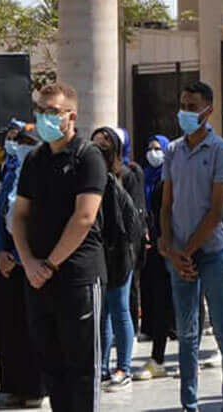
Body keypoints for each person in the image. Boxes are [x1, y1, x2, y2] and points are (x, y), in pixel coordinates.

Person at [12, 82, 107, 412]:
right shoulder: (35, 159)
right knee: (52, 368)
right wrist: (28, 262)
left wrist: (50, 264)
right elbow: (18, 215)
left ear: (72, 116)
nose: (44, 118)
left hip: (77, 277)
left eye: (52, 112)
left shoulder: (88, 157)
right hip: (39, 277)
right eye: (40, 111)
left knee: (82, 369)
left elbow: (84, 217)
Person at [160, 80, 223, 412]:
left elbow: (217, 210)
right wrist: (170, 246)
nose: (186, 112)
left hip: (209, 253)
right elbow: (166, 204)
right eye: (183, 105)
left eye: (193, 106)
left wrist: (188, 251)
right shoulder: (173, 150)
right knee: (187, 333)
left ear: (208, 110)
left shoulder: (220, 150)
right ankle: (188, 404)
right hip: (178, 255)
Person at [0, 121, 46, 408]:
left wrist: (25, 254)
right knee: (10, 325)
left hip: (32, 260)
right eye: (17, 140)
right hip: (8, 263)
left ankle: (35, 387)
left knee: (32, 326)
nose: (20, 145)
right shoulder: (10, 171)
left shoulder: (42, 172)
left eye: (26, 140)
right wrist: (0, 251)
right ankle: (13, 385)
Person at [92, 125, 144, 390]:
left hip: (120, 252)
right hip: (99, 252)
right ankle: (101, 366)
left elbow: (134, 217)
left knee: (120, 308)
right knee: (102, 313)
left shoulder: (126, 175)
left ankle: (123, 366)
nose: (99, 147)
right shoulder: (89, 175)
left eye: (105, 143)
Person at [136, 134, 174, 381]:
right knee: (158, 296)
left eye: (158, 148)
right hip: (157, 246)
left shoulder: (171, 178)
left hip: (183, 245)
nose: (153, 153)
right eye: (150, 148)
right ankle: (157, 356)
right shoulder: (144, 177)